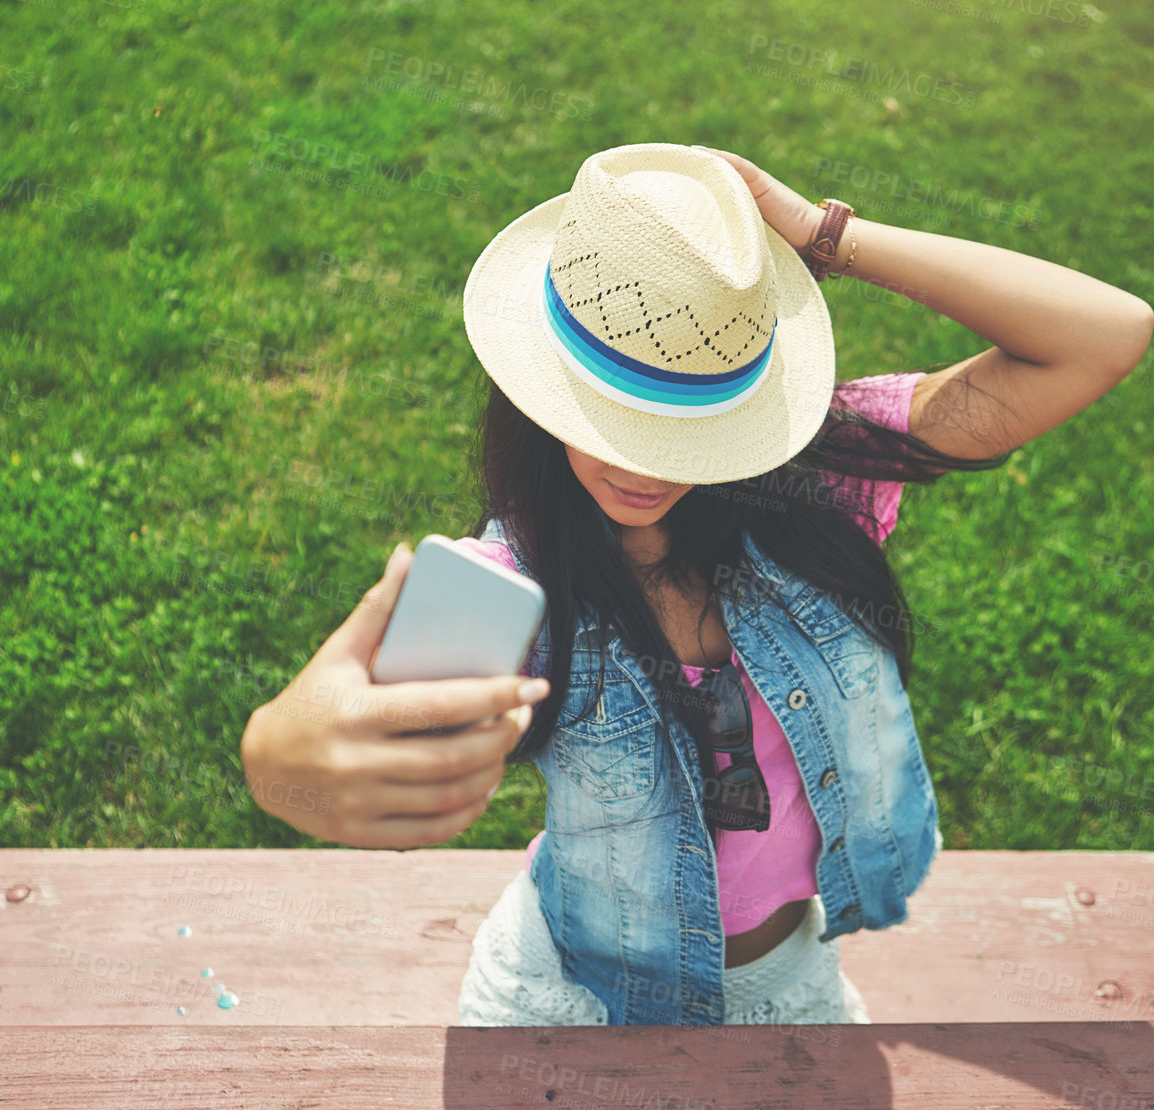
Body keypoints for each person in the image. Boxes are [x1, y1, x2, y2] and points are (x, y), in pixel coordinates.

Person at [241, 141, 1152, 1029]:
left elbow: (1107, 335)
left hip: (791, 986)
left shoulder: (824, 486)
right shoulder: (506, 585)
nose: (640, 465)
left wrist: (825, 234)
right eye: (605, 414)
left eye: (686, 417)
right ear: (540, 391)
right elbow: (323, 740)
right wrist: (279, 757)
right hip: (564, 1001)